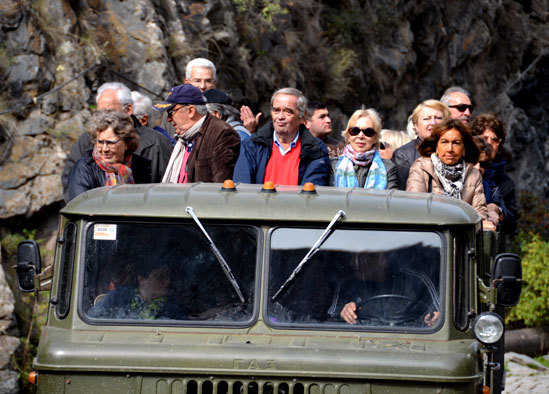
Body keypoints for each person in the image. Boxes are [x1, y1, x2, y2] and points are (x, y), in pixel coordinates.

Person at [62, 82, 172, 201]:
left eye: (109, 112)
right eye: (100, 112)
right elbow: (72, 188)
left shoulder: (155, 142)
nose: (104, 148)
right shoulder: (86, 145)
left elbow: (166, 190)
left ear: (128, 109)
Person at [233, 88, 330, 186]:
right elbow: (243, 189)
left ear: (303, 117)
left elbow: (311, 192)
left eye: (288, 111)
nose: (280, 117)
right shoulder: (251, 146)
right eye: (276, 110)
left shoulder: (316, 149)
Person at [406, 118, 490, 225]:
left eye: (456, 143)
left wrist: (483, 222)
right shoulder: (421, 168)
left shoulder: (473, 174)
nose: (450, 148)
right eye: (444, 142)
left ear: (464, 148)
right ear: (436, 146)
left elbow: (479, 211)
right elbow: (415, 207)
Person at [153, 84, 240, 183]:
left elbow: (220, 185)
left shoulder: (222, 133)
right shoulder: (184, 138)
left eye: (171, 112)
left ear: (191, 111)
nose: (168, 119)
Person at [67, 110, 152, 201]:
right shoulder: (85, 168)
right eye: (100, 142)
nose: (104, 149)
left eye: (110, 143)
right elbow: (80, 207)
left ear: (127, 143)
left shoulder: (141, 166)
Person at [471, 113, 518, 234]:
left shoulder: (505, 182)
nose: (489, 143)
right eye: (484, 138)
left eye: (494, 139)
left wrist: (499, 211)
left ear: (500, 145)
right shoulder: (462, 170)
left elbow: (513, 224)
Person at [88, 263, 185, 320]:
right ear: (142, 280)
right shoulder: (120, 295)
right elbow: (93, 315)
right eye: (160, 276)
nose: (167, 281)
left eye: (168, 277)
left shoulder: (173, 305)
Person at [392, 100, 451, 190]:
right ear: (416, 126)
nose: (433, 123)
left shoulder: (455, 151)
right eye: (426, 119)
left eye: (438, 118)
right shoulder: (403, 155)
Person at [332, 108, 397, 189]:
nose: (360, 136)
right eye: (355, 131)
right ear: (348, 136)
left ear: (375, 138)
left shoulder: (388, 168)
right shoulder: (333, 166)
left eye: (368, 132)